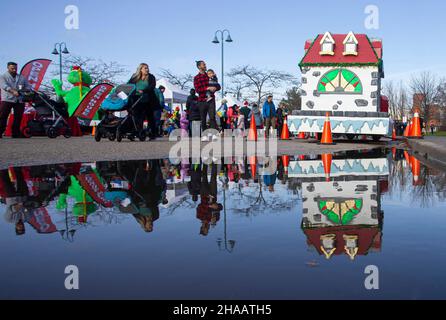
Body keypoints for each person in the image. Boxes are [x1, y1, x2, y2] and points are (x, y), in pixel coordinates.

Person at [128, 63, 160, 140]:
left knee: (150, 118)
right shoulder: (134, 77)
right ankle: (138, 132)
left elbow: (152, 86)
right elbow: (129, 85)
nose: (147, 69)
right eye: (145, 68)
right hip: (137, 99)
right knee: (137, 117)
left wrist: (144, 91)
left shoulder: (151, 77)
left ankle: (152, 134)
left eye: (147, 68)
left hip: (148, 100)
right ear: (140, 69)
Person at [0, 62, 32, 138]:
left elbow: (28, 86)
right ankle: (0, 132)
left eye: (15, 68)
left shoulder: (21, 77)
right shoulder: (3, 76)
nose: (14, 70)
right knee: (3, 116)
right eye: (12, 68)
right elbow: (4, 86)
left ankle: (15, 133)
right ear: (8, 68)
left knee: (18, 117)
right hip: (7, 99)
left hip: (19, 100)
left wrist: (26, 90)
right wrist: (12, 91)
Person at [193, 60, 220, 141]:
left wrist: (215, 87)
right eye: (203, 64)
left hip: (211, 99)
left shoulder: (209, 75)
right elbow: (197, 89)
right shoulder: (196, 78)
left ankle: (214, 134)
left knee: (212, 117)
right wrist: (207, 88)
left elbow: (218, 85)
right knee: (203, 118)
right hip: (201, 100)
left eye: (205, 64)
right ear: (199, 66)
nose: (205, 65)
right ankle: (204, 135)